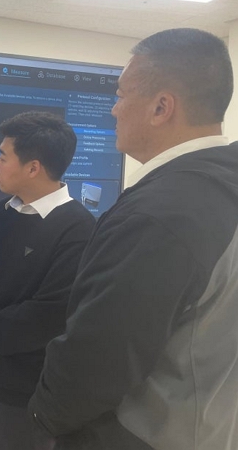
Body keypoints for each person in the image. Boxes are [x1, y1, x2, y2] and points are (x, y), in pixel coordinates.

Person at [29, 28, 238, 450]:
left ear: (161, 107)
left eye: (121, 95)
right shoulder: (221, 185)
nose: (114, 109)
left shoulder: (161, 214)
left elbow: (98, 358)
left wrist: (42, 416)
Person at [0, 111, 96, 450]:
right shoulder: (2, 213)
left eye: (3, 157)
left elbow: (44, 318)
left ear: (33, 168)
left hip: (18, 398)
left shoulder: (78, 230)